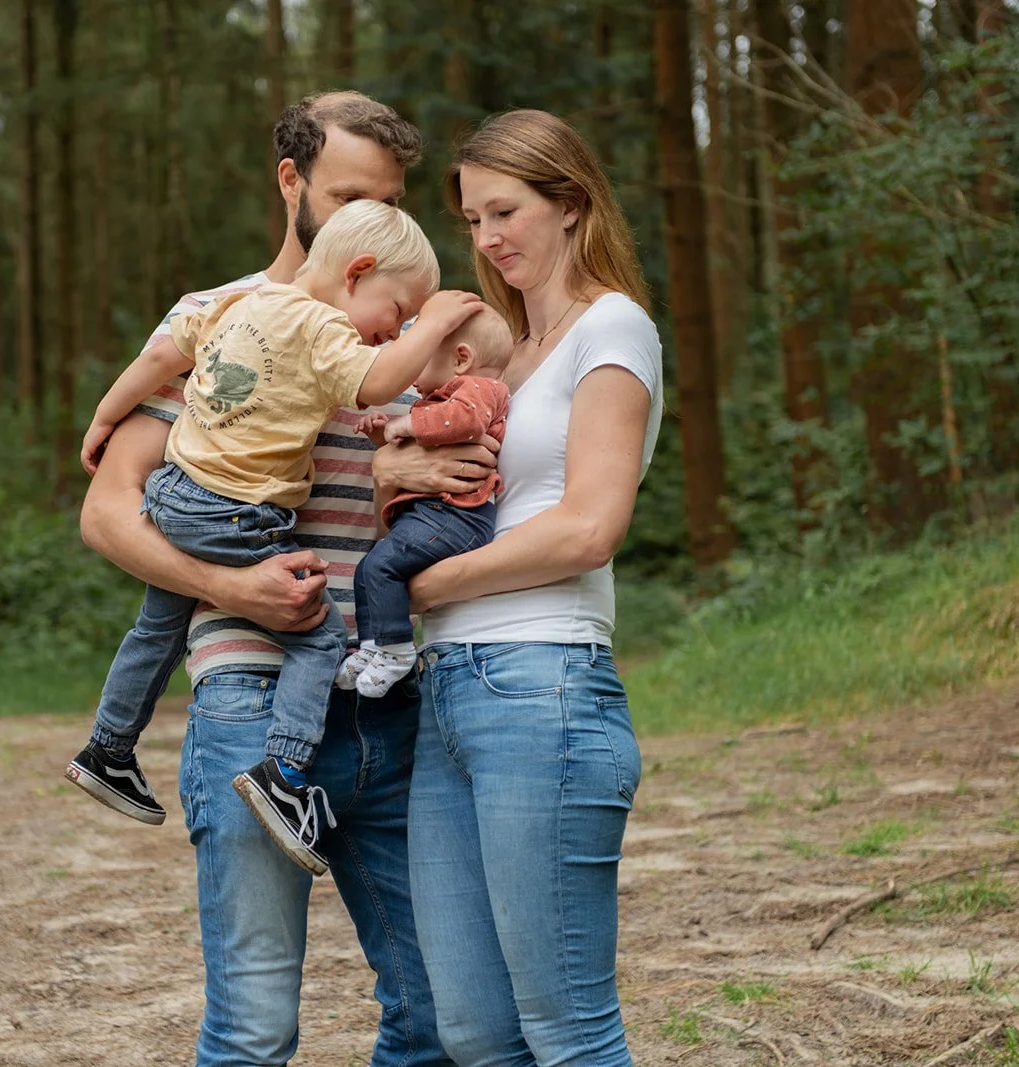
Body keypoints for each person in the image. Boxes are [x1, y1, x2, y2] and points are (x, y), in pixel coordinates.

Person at [78, 91, 484, 1067]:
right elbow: (108, 511)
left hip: (390, 706)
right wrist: (230, 588)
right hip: (250, 699)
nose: (369, 217)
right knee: (255, 1029)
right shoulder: (217, 317)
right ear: (291, 182)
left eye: (388, 199)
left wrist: (418, 470)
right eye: (349, 193)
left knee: (436, 1014)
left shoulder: (393, 330)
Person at [66, 199, 482, 876]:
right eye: (395, 309)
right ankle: (283, 773)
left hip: (174, 495)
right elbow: (379, 382)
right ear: (359, 272)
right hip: (238, 514)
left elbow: (157, 358)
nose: (393, 330)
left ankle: (109, 747)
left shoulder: (238, 304)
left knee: (159, 621)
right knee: (319, 638)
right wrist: (433, 322)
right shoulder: (324, 331)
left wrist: (103, 418)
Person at [401, 109, 664, 1066]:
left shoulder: (615, 328)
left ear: (572, 203)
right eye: (471, 220)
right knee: (474, 1030)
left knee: (568, 1029)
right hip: (445, 691)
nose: (486, 238)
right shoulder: (506, 352)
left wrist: (430, 584)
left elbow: (591, 525)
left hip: (544, 685)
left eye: (504, 211)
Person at [340, 308, 514, 697]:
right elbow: (419, 454)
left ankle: (398, 650)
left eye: (419, 362)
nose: (410, 376)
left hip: (459, 516)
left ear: (461, 359)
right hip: (436, 513)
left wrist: (407, 425)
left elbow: (463, 423)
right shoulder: (444, 402)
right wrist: (385, 436)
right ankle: (373, 646)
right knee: (369, 566)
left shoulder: (480, 390)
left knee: (383, 565)